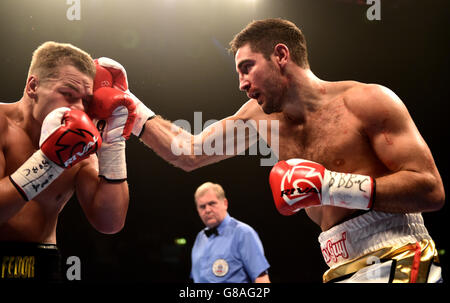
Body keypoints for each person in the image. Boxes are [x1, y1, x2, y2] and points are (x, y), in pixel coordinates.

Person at [94, 18, 445, 283]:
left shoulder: (366, 101)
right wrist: (133, 109)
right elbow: (189, 152)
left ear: (280, 55)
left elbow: (430, 189)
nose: (242, 83)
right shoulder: (258, 118)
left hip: (399, 250)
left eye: (247, 68)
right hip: (338, 264)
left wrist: (329, 186)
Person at [0, 41, 132, 282]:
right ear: (33, 86)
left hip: (42, 263)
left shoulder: (82, 147)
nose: (79, 108)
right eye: (68, 94)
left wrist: (113, 143)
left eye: (86, 100)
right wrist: (50, 161)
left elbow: (110, 223)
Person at [190, 182, 270, 283]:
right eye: (202, 206)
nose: (207, 210)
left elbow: (261, 279)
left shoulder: (243, 233)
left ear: (225, 203)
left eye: (212, 203)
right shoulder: (200, 238)